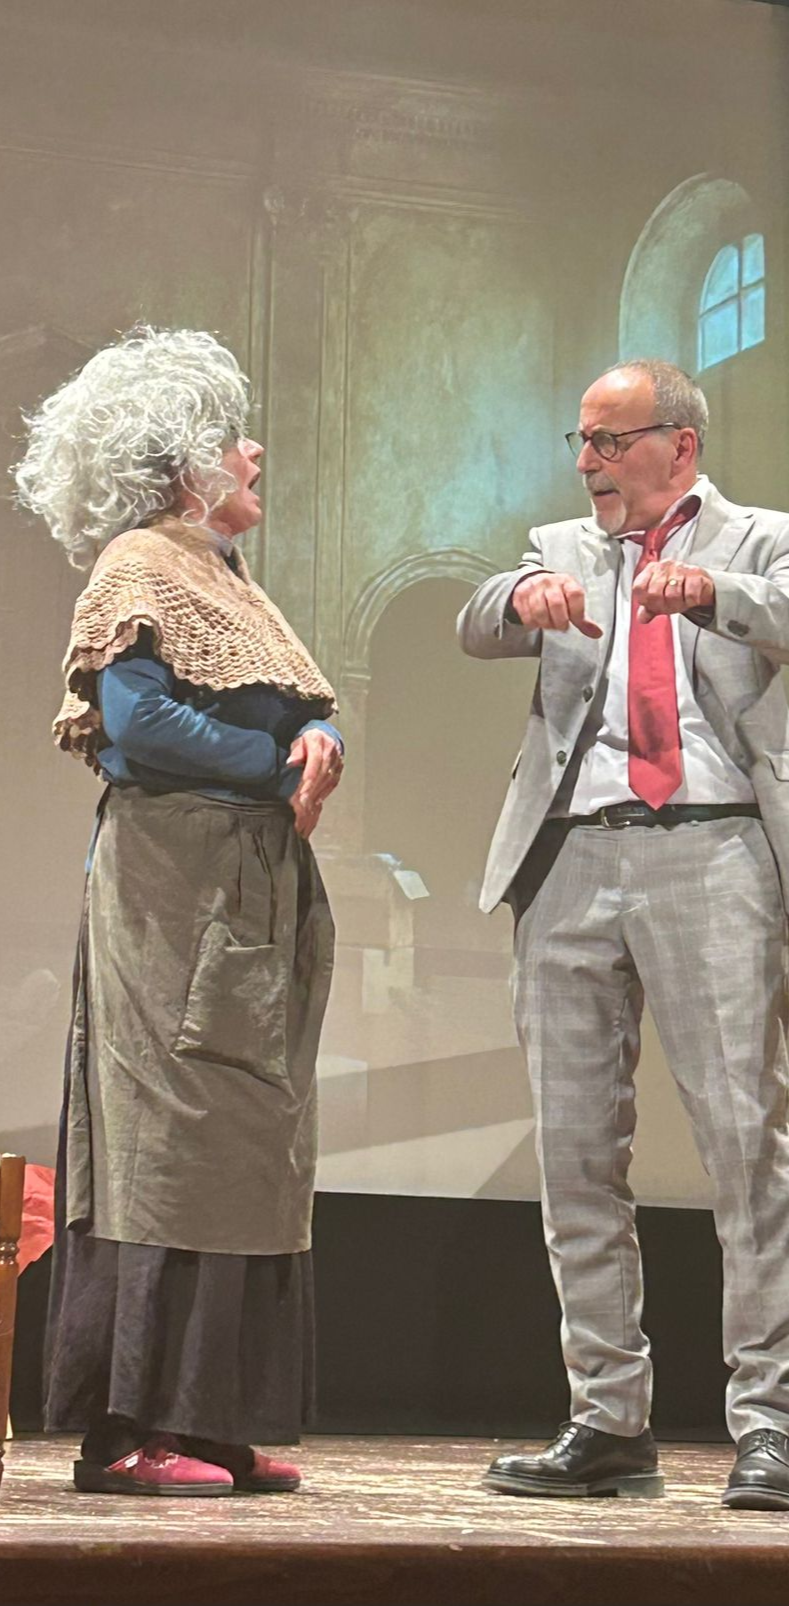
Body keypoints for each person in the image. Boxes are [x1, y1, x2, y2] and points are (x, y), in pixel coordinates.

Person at [457, 358, 789, 1511]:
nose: (587, 461)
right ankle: (607, 1421)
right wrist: (520, 601)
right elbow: (477, 620)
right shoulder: (562, 545)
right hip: (569, 857)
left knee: (744, 1140)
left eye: (609, 439)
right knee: (576, 1151)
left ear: (678, 444)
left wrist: (713, 592)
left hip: (713, 845)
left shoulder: (764, 535)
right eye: (580, 441)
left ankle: (770, 1424)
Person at [15, 326, 342, 1496]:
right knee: (167, 1143)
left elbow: (293, 702)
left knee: (244, 1150)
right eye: (229, 439)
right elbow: (139, 724)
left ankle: (211, 1421)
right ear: (178, 462)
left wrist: (320, 737)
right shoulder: (139, 566)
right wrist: (277, 762)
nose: (252, 454)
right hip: (174, 886)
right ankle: (128, 1432)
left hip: (246, 885)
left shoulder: (224, 575)